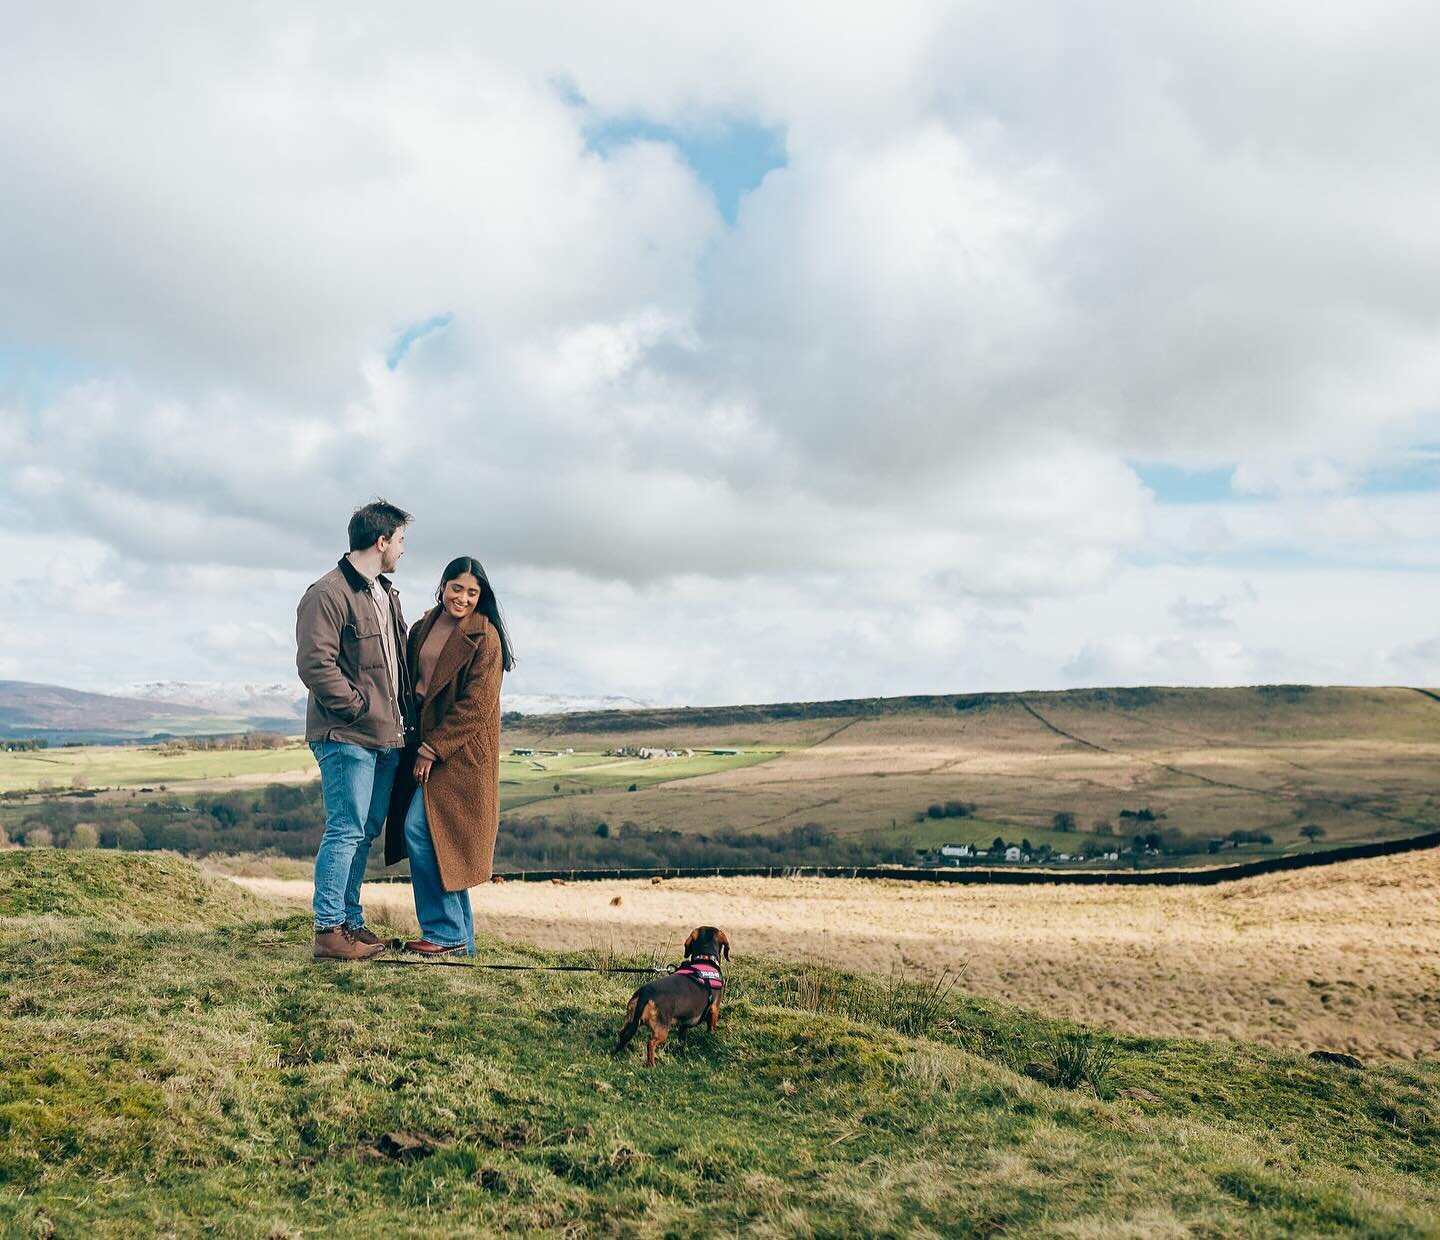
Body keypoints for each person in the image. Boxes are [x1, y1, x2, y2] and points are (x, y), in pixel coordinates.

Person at [296, 499, 416, 961]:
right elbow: (315, 664)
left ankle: (350, 921)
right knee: (345, 830)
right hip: (345, 736)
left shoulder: (385, 593)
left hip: (386, 738)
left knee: (363, 832)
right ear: (381, 541)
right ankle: (328, 931)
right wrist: (359, 708)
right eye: (401, 541)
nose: (403, 550)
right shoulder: (326, 594)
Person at [386, 555, 515, 954]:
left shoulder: (485, 637)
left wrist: (432, 748)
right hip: (421, 745)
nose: (463, 598)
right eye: (457, 588)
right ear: (442, 585)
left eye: (472, 592)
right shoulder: (423, 627)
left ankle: (444, 934)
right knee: (443, 843)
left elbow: (476, 706)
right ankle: (461, 944)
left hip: (459, 755)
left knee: (420, 831)